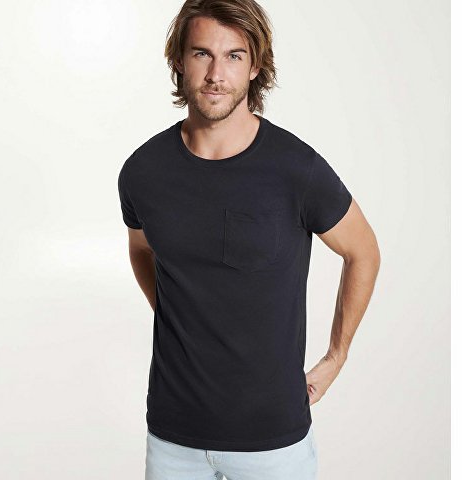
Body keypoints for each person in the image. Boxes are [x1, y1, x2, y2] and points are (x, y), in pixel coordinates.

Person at [117, 1, 381, 478]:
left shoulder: (296, 169)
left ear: (255, 66)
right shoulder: (143, 171)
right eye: (202, 53)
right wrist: (178, 312)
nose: (216, 74)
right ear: (179, 60)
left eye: (234, 56)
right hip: (173, 437)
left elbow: (362, 251)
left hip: (273, 442)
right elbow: (141, 248)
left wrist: (336, 356)